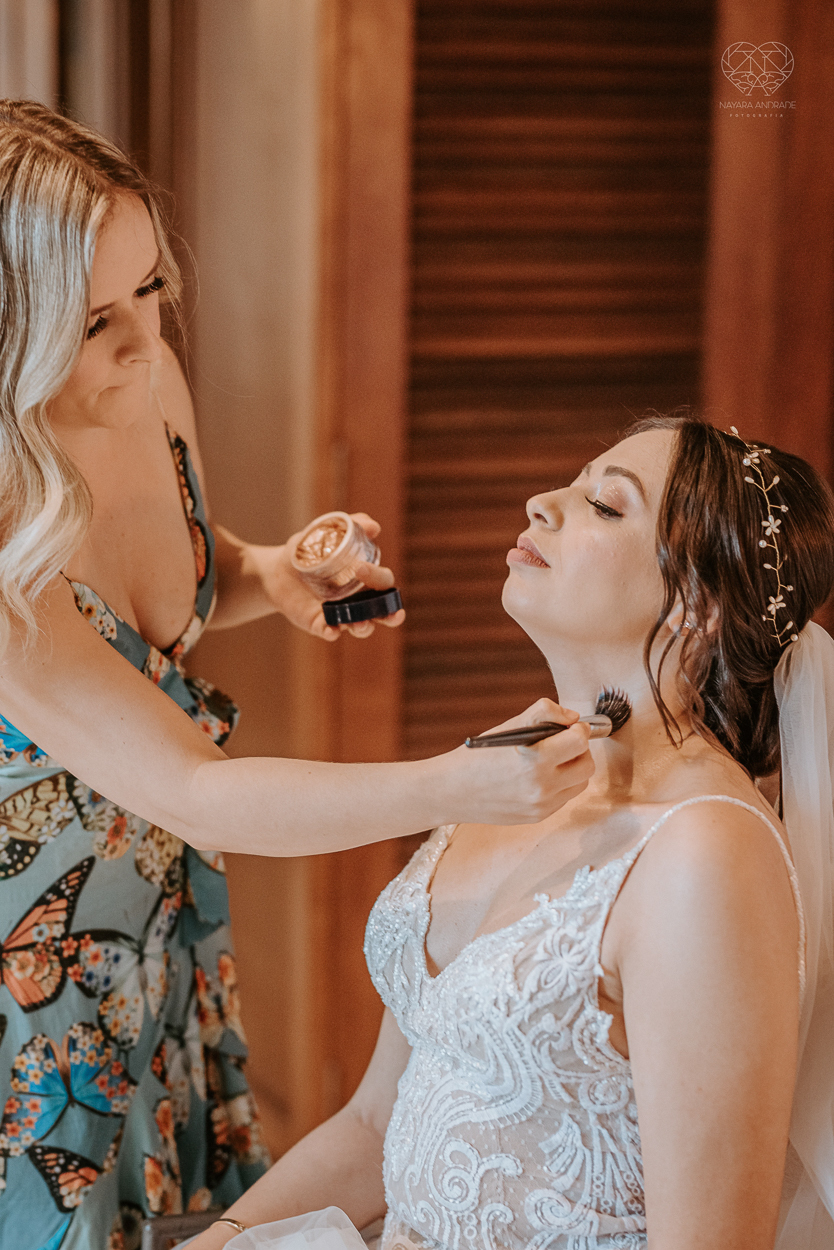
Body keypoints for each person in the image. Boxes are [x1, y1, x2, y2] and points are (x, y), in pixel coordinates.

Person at [0, 101, 594, 1250]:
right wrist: (458, 784)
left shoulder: (149, 383)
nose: (143, 341)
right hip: (34, 973)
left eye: (150, 288)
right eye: (94, 320)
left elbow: (159, 593)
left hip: (159, 924)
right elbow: (197, 787)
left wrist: (270, 572)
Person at [186, 413, 834, 1250]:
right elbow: (375, 1123)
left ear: (698, 604)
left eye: (605, 505)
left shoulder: (706, 852)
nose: (541, 503)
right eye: (574, 482)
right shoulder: (504, 778)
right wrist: (216, 1239)